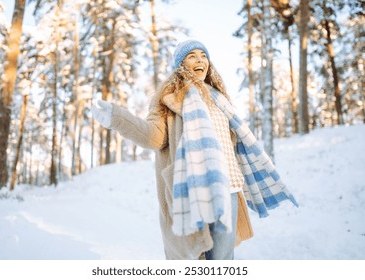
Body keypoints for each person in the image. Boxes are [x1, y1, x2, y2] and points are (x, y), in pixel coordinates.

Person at [91, 39, 298, 260]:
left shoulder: (219, 99)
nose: (200, 60)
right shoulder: (168, 97)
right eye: (192, 56)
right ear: (181, 64)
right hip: (191, 187)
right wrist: (117, 118)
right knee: (194, 259)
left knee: (222, 258)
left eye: (203, 55)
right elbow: (153, 138)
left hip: (228, 185)